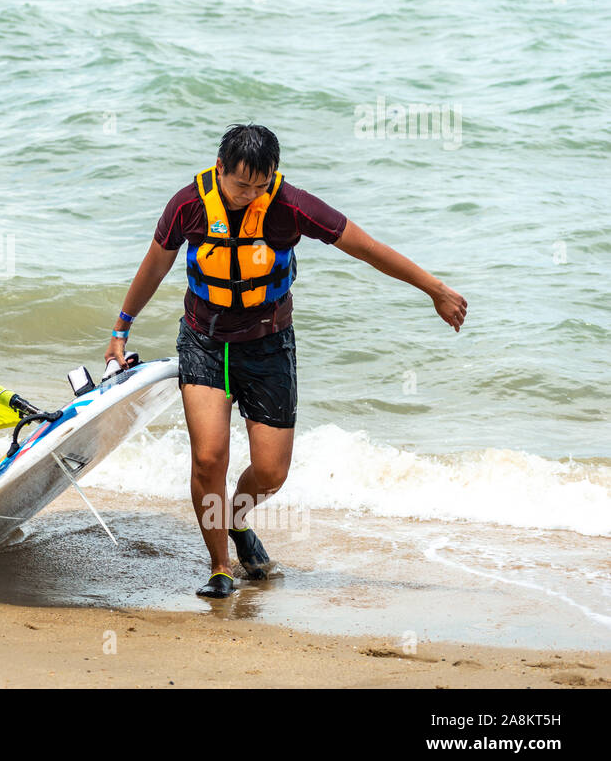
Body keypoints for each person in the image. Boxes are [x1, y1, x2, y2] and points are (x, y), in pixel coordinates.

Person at [106, 124, 467, 598]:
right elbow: (156, 264)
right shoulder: (187, 206)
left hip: (268, 344)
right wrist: (120, 328)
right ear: (221, 170)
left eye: (260, 185)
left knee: (272, 473)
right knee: (209, 456)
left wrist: (435, 290)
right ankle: (219, 567)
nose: (250, 196)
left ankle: (236, 519)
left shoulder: (290, 207)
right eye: (240, 186)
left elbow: (368, 249)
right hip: (205, 340)